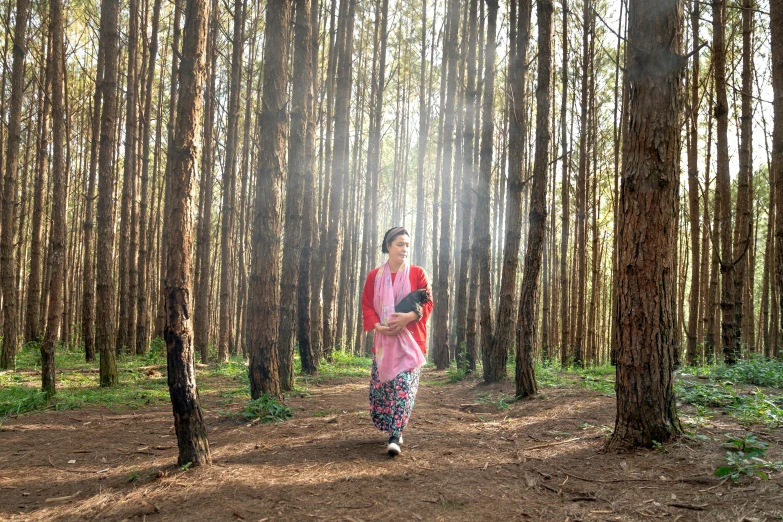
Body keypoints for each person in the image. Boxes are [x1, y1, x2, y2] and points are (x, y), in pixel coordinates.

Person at [361, 227, 432, 457]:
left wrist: (410, 317)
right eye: (400, 244)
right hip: (384, 343)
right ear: (389, 246)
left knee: (404, 388)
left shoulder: (418, 273)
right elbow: (367, 305)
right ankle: (394, 426)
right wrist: (377, 326)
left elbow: (428, 303)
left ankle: (394, 436)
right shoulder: (374, 276)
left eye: (407, 245)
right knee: (385, 391)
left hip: (410, 342)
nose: (405, 249)